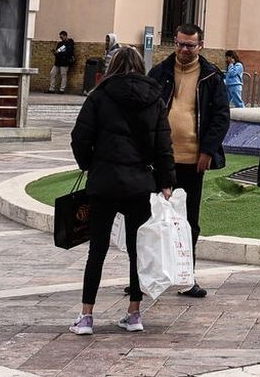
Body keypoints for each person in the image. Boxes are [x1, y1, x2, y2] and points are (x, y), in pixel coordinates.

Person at [68, 46, 175, 335]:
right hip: (140, 182)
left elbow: (80, 137)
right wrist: (166, 181)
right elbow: (164, 144)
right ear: (140, 67)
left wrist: (90, 164)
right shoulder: (155, 98)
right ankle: (134, 313)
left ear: (113, 65)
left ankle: (86, 315)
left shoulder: (100, 95)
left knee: (97, 250)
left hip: (105, 181)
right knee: (137, 250)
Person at [147, 23, 230, 298]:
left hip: (193, 160)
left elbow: (221, 117)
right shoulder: (159, 73)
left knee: (188, 221)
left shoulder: (211, 76)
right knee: (151, 219)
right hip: (160, 160)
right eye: (180, 44)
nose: (183, 50)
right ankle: (147, 277)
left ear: (200, 46)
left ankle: (187, 277)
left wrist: (207, 151)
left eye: (189, 45)